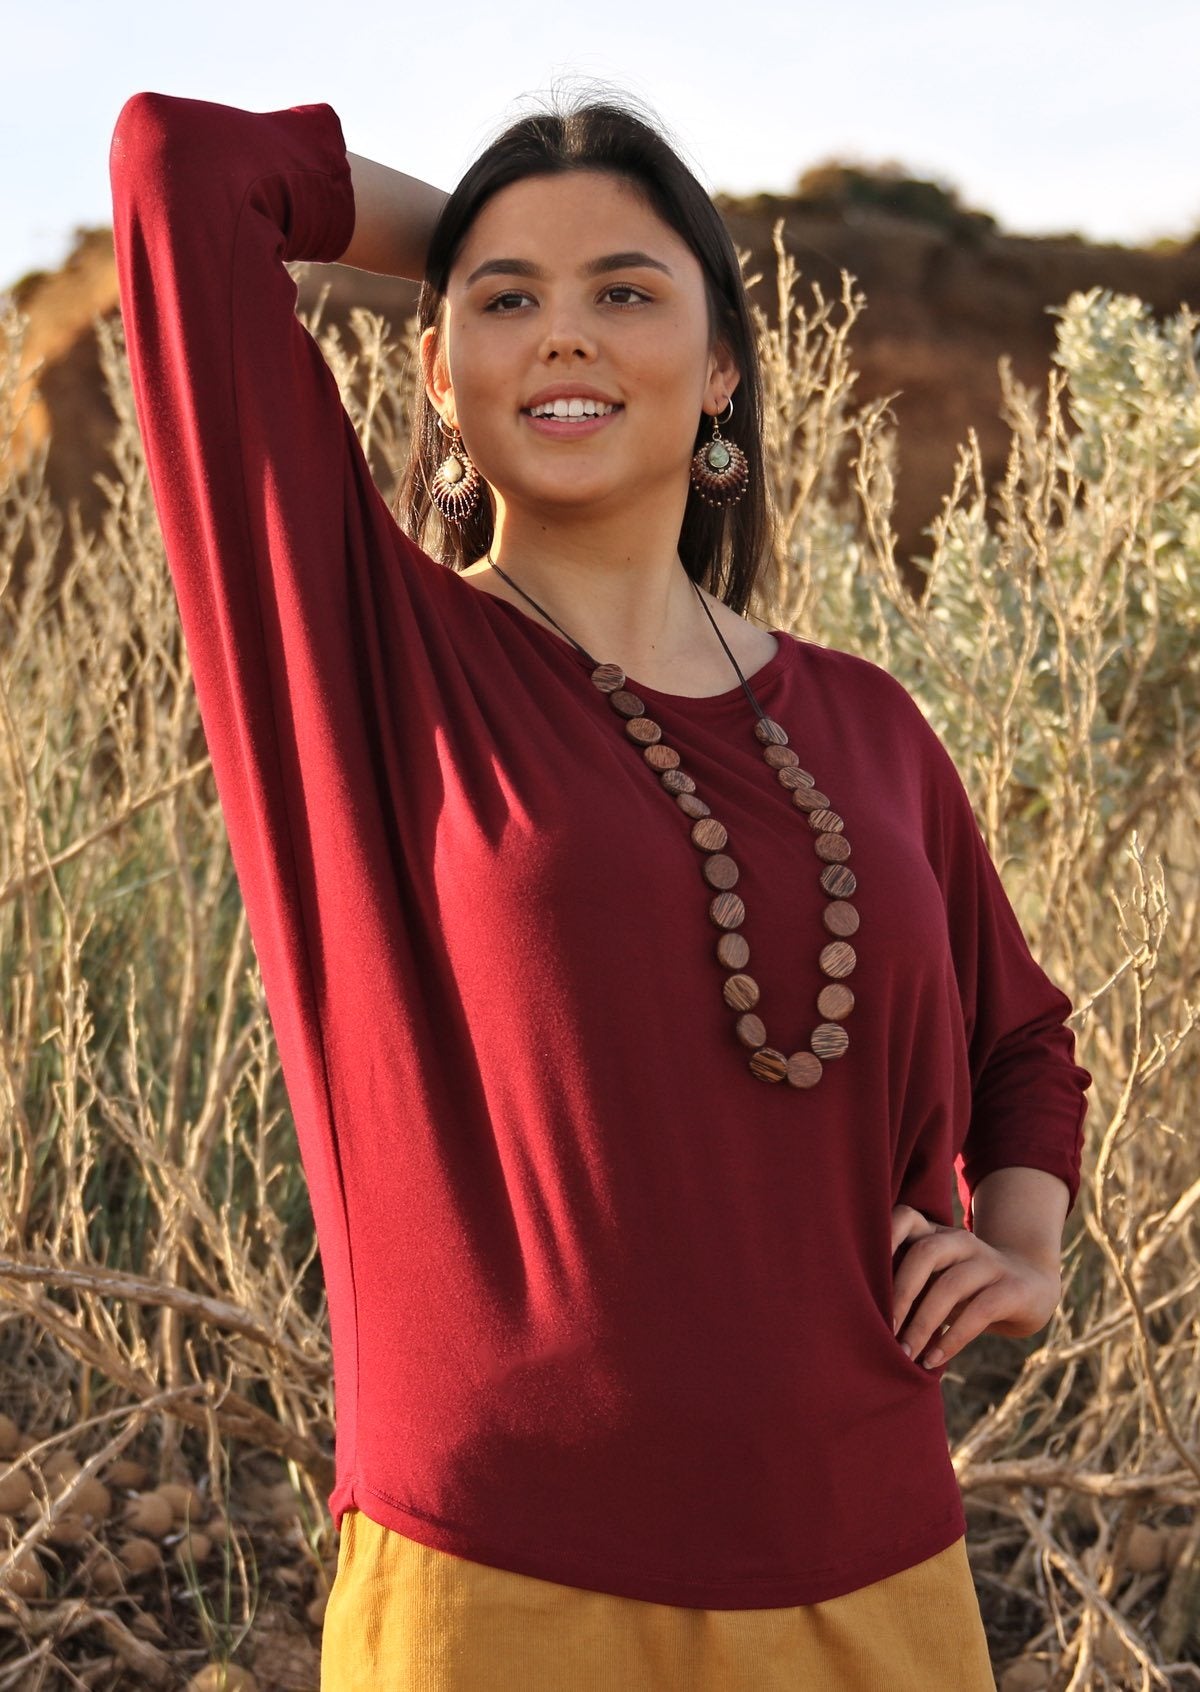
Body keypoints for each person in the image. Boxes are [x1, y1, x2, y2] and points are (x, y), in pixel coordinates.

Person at [108, 83, 1090, 1692]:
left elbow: (1024, 1042)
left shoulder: (869, 724)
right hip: (496, 1584)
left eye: (626, 296)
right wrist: (497, 234)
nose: (562, 336)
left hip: (881, 1576)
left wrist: (1030, 1248)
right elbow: (180, 166)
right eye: (508, 307)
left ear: (723, 371)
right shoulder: (372, 660)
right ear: (435, 370)